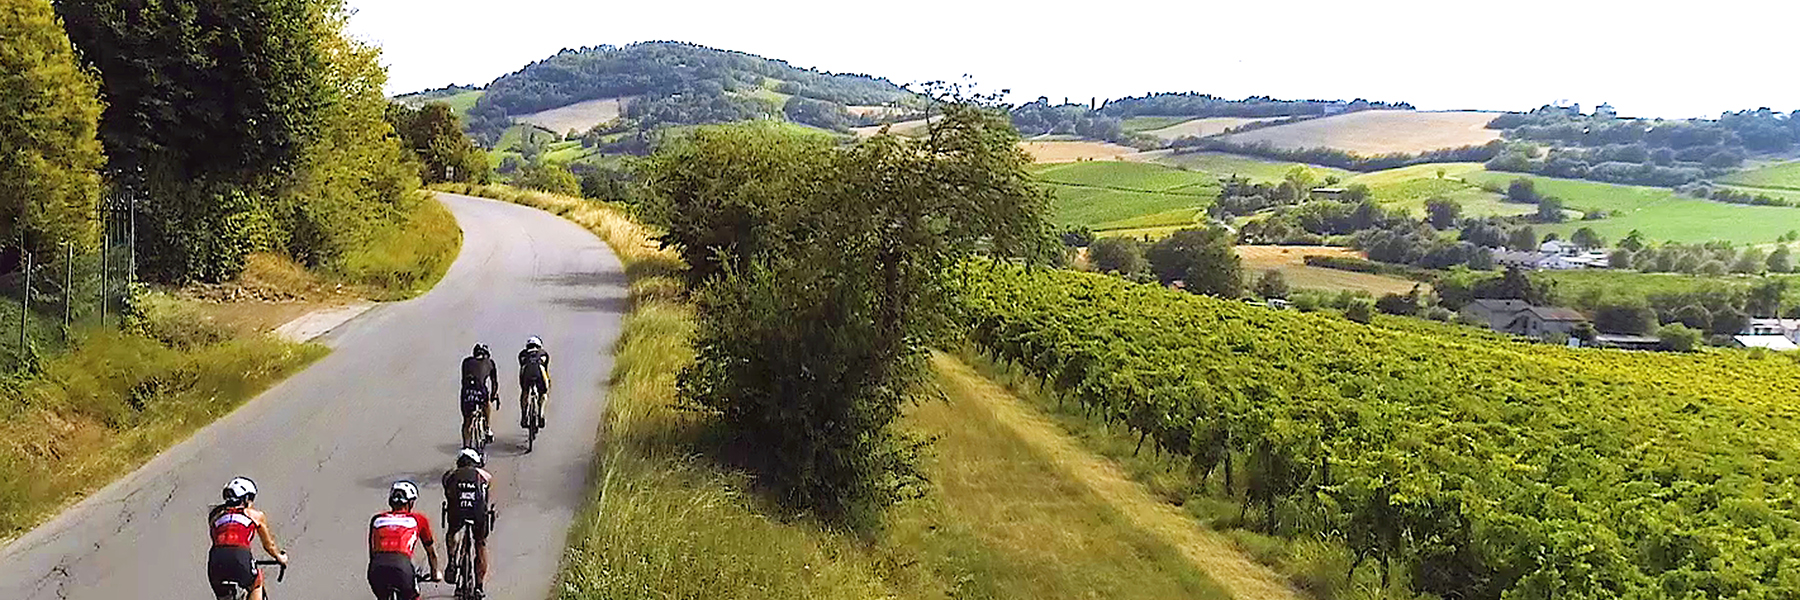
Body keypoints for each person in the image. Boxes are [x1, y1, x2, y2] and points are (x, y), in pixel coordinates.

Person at [208, 477, 288, 600]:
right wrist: (280, 558)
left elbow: (218, 539)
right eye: (251, 498)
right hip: (240, 556)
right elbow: (269, 545)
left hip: (216, 559)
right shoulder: (255, 516)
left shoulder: (215, 515)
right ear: (245, 499)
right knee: (256, 584)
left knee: (223, 594)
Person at [368, 480, 442, 600]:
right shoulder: (419, 519)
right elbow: (431, 553)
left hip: (376, 567)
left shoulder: (376, 519)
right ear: (411, 503)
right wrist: (435, 573)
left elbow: (372, 552)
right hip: (402, 566)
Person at [441, 448, 495, 593]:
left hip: (457, 510)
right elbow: (486, 491)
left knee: (452, 531)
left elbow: (447, 491)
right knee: (481, 544)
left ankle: (452, 560)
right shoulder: (484, 475)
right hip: (477, 512)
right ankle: (479, 586)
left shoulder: (450, 474)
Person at [461, 343, 500, 444]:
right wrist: (493, 395)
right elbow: (494, 382)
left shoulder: (466, 362)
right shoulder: (490, 363)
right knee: (486, 403)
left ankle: (466, 445)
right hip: (480, 389)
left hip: (467, 391)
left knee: (467, 421)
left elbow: (463, 380)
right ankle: (487, 428)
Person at [517, 336, 551, 429]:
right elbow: (545, 371)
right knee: (543, 393)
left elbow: (522, 370)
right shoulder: (544, 354)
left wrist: (523, 388)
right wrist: (547, 386)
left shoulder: (522, 354)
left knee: (525, 393)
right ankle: (541, 414)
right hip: (540, 374)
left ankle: (524, 415)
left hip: (527, 374)